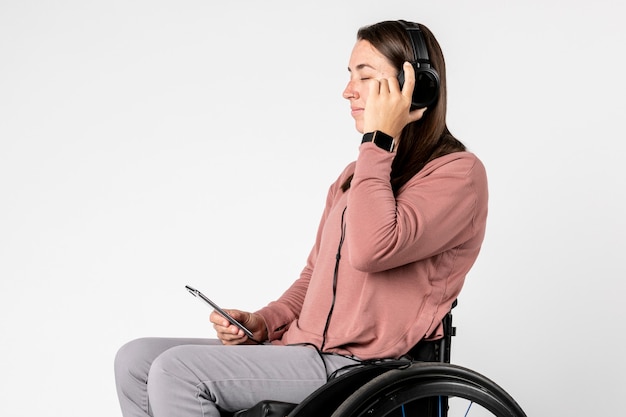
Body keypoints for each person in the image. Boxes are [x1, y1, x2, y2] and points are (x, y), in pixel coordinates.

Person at [114, 19, 488, 417]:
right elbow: (314, 276)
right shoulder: (355, 177)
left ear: (416, 87)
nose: (348, 92)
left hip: (362, 369)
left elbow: (371, 249)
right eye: (350, 76)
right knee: (135, 361)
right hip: (303, 352)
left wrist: (378, 141)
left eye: (364, 77)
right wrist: (263, 322)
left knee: (178, 372)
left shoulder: (457, 175)